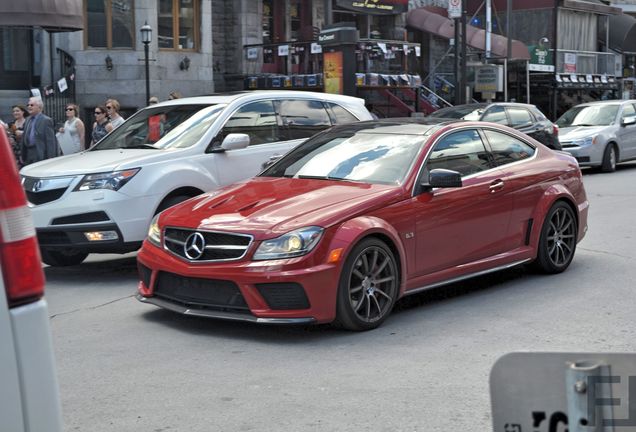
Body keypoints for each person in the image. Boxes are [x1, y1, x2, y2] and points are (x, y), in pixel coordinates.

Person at [21, 96, 58, 165]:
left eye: (32, 105)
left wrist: (51, 157)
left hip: (39, 153)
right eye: (28, 105)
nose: (29, 107)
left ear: (39, 107)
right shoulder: (27, 120)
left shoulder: (46, 120)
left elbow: (50, 141)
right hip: (27, 153)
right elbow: (24, 136)